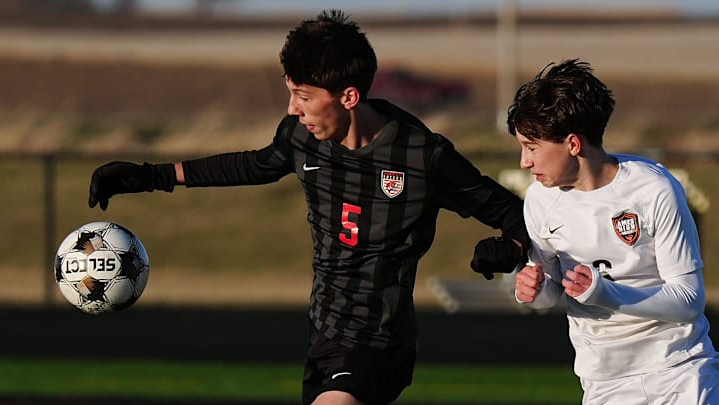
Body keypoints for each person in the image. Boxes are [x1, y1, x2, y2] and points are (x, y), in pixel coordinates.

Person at [88, 10, 528, 405]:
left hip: (379, 342)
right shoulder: (301, 137)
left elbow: (511, 211)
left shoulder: (421, 155)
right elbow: (254, 165)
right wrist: (151, 176)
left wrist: (510, 247)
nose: (291, 107)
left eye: (303, 95)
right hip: (323, 337)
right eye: (290, 92)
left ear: (349, 97)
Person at [509, 58, 719, 404]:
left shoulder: (653, 188)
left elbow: (689, 301)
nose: (524, 161)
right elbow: (547, 294)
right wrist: (531, 290)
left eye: (532, 147)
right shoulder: (538, 200)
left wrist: (605, 293)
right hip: (604, 381)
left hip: (679, 370)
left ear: (573, 144)